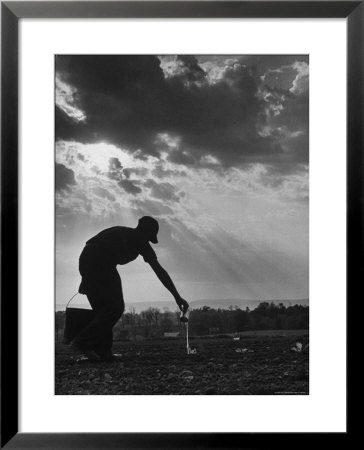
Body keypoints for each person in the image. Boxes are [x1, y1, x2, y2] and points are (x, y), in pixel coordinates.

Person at [72, 216, 189, 362]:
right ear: (145, 232)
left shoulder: (124, 234)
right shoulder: (139, 241)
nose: (148, 241)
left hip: (89, 261)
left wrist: (86, 276)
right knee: (115, 307)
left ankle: (103, 352)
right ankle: (83, 342)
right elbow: (160, 272)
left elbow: (91, 248)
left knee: (103, 310)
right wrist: (177, 297)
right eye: (149, 237)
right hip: (99, 263)